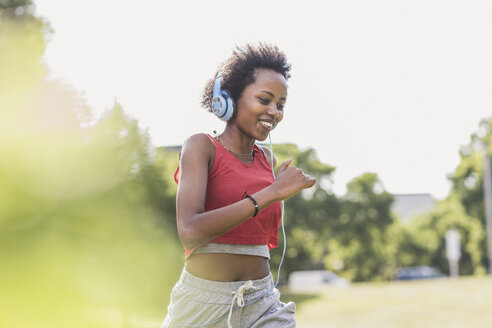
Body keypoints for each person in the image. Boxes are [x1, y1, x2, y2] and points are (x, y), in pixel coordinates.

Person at [161, 43, 316, 328]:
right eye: (265, 99)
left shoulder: (267, 158)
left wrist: (277, 189)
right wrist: (271, 193)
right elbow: (190, 231)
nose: (275, 112)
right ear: (228, 99)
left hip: (262, 302)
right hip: (202, 304)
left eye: (280, 105)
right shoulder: (200, 146)